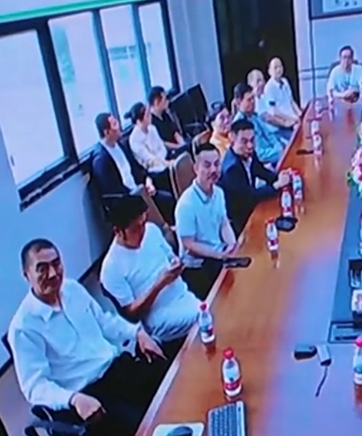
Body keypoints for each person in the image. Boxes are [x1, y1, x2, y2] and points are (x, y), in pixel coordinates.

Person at [9, 238, 166, 435]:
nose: (53, 273)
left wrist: (138, 333)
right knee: (146, 424)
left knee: (171, 383)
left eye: (56, 263)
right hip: (88, 395)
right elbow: (36, 387)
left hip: (116, 368)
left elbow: (105, 322)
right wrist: (73, 399)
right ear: (27, 275)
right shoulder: (23, 327)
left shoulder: (72, 289)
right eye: (42, 268)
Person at [100, 196, 200, 357]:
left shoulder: (151, 231)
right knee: (207, 317)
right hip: (159, 316)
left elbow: (171, 257)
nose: (142, 232)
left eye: (143, 223)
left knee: (212, 308)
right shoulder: (111, 268)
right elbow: (132, 314)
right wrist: (159, 284)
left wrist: (176, 264)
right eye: (135, 229)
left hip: (183, 295)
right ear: (118, 231)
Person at [175, 143, 238, 298]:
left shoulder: (219, 192)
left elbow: (224, 223)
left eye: (217, 164)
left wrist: (232, 245)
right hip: (198, 267)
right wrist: (218, 255)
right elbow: (189, 245)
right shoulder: (186, 204)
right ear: (196, 168)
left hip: (219, 254)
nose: (213, 170)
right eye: (207, 165)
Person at [91, 113, 176, 224]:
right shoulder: (101, 159)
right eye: (115, 124)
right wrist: (138, 193)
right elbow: (113, 189)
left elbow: (136, 169)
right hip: (127, 200)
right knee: (163, 204)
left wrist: (147, 181)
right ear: (107, 132)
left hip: (139, 190)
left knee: (168, 198)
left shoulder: (120, 145)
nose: (119, 126)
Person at [219, 119, 291, 234]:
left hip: (252, 206)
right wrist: (276, 186)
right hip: (241, 220)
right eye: (244, 141)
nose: (250, 145)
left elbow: (261, 171)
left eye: (252, 140)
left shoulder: (249, 153)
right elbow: (249, 197)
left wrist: (280, 177)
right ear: (232, 139)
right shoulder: (231, 169)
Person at [231, 81, 285, 168]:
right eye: (249, 100)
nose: (253, 102)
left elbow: (269, 135)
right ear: (239, 102)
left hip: (276, 153)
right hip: (263, 163)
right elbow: (258, 155)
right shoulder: (239, 124)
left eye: (253, 98)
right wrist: (279, 152)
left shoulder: (254, 116)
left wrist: (279, 147)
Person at [127, 102, 173, 187]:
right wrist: (166, 163)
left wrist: (164, 159)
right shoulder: (134, 140)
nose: (150, 116)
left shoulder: (152, 129)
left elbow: (162, 148)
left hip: (164, 158)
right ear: (139, 121)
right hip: (153, 170)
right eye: (147, 115)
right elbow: (149, 159)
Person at [247, 68, 297, 135]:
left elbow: (276, 111)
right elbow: (268, 118)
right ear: (250, 84)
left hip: (280, 129)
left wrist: (292, 119)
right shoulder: (255, 101)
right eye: (258, 81)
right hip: (272, 134)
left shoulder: (265, 96)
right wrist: (286, 124)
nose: (262, 83)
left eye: (263, 80)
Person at [147, 86, 188, 155]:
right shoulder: (151, 123)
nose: (168, 101)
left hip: (178, 146)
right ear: (157, 102)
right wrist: (178, 147)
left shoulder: (164, 114)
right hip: (168, 152)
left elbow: (174, 132)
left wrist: (183, 144)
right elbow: (161, 143)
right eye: (165, 99)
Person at [265, 57, 303, 122]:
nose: (278, 70)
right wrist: (292, 119)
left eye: (280, 66)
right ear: (269, 71)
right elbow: (274, 111)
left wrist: (300, 114)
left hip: (293, 117)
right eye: (275, 67)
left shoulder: (285, 81)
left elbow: (291, 101)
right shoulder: (269, 87)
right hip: (283, 121)